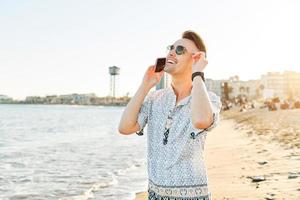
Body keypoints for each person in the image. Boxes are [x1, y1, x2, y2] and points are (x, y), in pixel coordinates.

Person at [118, 30, 222, 200]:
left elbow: (201, 120)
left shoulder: (209, 99)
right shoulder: (154, 99)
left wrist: (197, 73)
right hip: (155, 195)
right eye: (171, 48)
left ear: (195, 59)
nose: (171, 52)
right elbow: (125, 127)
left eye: (180, 50)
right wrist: (145, 85)